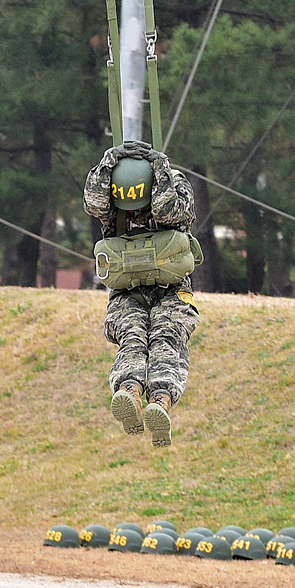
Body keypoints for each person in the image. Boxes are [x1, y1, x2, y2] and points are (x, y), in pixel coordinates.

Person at [83, 140, 200, 448]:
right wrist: (108, 163)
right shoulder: (115, 205)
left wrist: (160, 168)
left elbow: (169, 211)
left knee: (165, 337)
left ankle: (158, 403)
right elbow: (93, 202)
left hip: (172, 292)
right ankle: (132, 393)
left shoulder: (175, 190)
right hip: (127, 294)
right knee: (132, 338)